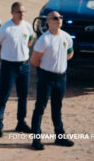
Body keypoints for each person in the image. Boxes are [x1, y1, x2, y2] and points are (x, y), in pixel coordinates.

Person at [29, 11, 74, 150]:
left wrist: (59, 64)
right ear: (48, 21)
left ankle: (59, 137)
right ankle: (36, 139)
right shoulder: (44, 40)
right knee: (40, 107)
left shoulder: (66, 37)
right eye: (55, 18)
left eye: (60, 17)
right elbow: (34, 60)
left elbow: (70, 53)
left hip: (61, 78)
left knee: (57, 107)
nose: (59, 20)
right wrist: (47, 68)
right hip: (46, 77)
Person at [0, 2, 34, 137]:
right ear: (12, 12)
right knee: (3, 95)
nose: (21, 14)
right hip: (9, 66)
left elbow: (30, 40)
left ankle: (21, 122)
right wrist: (3, 52)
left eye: (23, 12)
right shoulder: (6, 28)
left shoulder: (27, 26)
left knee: (23, 96)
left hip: (24, 65)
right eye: (18, 12)